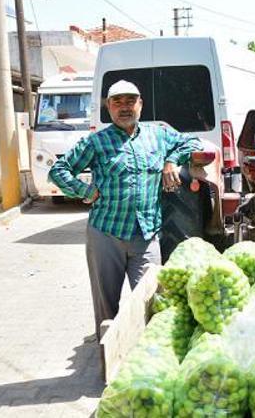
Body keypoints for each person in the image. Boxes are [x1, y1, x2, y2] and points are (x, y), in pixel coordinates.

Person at [49, 80, 202, 340]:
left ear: (140, 104)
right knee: (107, 306)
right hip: (106, 234)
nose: (124, 107)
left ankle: (151, 353)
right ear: (109, 107)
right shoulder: (97, 142)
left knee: (153, 301)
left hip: (147, 235)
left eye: (130, 101)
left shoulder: (159, 135)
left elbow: (192, 142)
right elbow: (58, 171)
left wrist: (171, 161)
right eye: (117, 102)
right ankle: (108, 358)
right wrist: (85, 191)